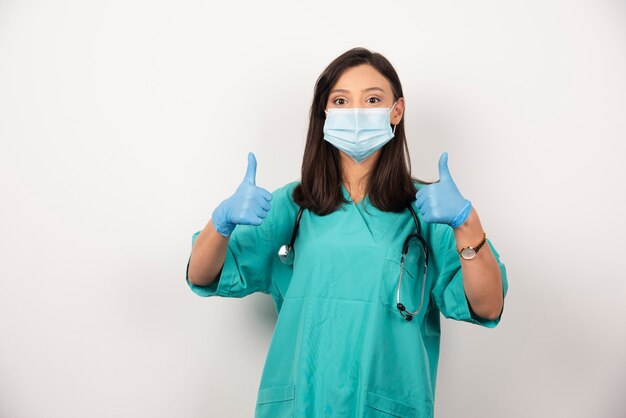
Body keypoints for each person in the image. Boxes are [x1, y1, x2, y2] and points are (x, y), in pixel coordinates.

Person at [186, 47, 508, 418]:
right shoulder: (294, 206)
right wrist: (221, 222)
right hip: (301, 404)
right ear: (324, 112)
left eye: (373, 99)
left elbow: (488, 304)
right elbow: (201, 273)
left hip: (386, 402)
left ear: (396, 110)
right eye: (341, 100)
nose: (357, 112)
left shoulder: (428, 212)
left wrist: (467, 223)